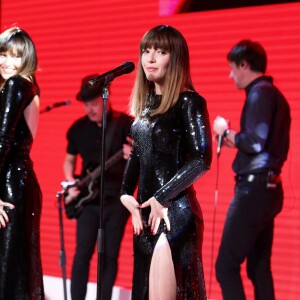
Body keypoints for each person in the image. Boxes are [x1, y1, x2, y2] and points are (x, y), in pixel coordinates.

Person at [120, 25, 212, 300]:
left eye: (160, 52)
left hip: (174, 213)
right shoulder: (146, 106)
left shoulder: (189, 102)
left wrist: (162, 197)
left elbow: (201, 159)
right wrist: (125, 193)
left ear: (176, 59)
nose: (150, 58)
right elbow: (138, 153)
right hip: (147, 215)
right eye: (146, 51)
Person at [213, 40, 291, 300]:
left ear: (244, 64)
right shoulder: (274, 94)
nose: (230, 74)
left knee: (225, 267)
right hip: (268, 190)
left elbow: (254, 141)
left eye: (232, 68)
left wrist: (228, 134)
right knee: (258, 268)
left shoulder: (260, 93)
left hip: (253, 190)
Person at [63, 75, 132, 300]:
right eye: (86, 103)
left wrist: (132, 156)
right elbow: (69, 160)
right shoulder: (78, 129)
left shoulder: (125, 125)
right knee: (82, 254)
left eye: (94, 102)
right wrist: (71, 182)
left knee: (109, 256)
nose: (90, 108)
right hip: (89, 201)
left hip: (116, 201)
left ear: (106, 96)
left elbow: (140, 159)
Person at [0, 27, 44, 299]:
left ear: (26, 58)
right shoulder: (27, 86)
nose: (6, 61)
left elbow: (2, 141)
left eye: (15, 56)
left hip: (9, 188)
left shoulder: (17, 84)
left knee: (9, 276)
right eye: (2, 54)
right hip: (18, 183)